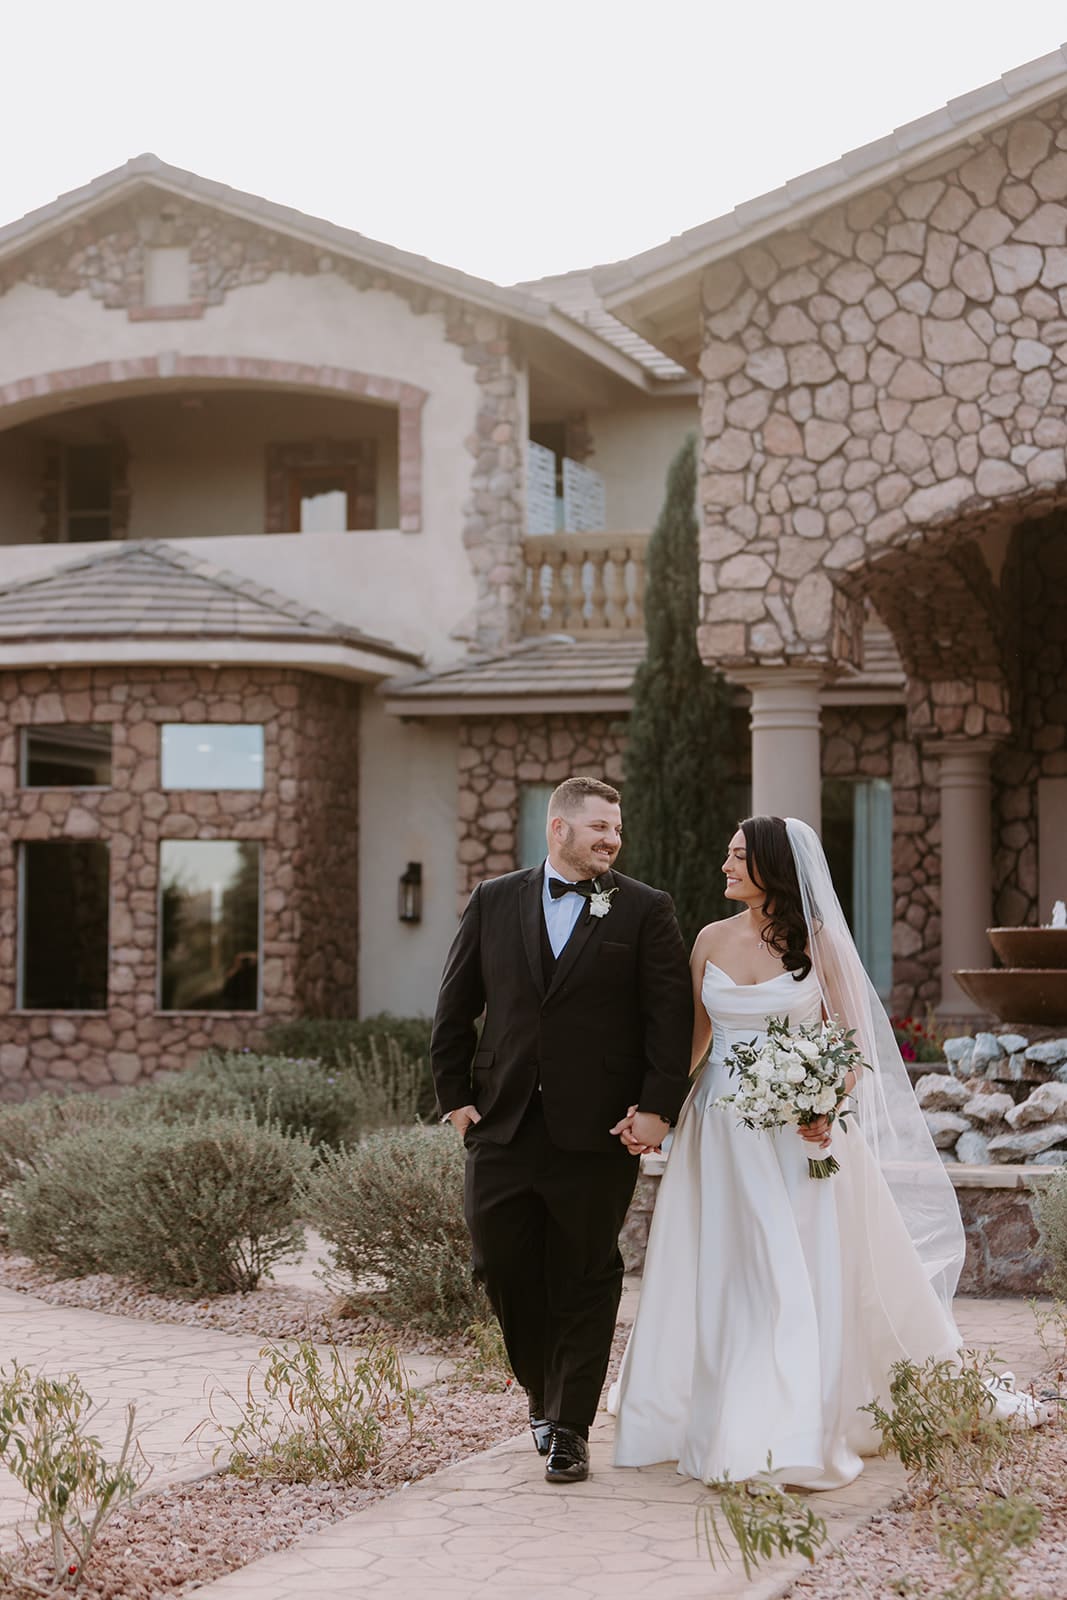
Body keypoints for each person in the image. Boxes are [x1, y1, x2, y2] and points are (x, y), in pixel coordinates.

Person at [610, 814, 965, 1490]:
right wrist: (654, 1112)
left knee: (790, 1269)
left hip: (798, 1134)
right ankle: (716, 1411)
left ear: (771, 866)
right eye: (726, 853)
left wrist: (824, 1105)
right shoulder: (709, 940)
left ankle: (796, 1427)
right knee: (724, 1267)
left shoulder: (819, 942)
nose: (724, 865)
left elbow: (852, 1045)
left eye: (737, 856)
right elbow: (692, 1042)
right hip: (718, 1131)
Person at [431, 775, 693, 1484]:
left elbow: (668, 1018)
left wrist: (657, 1107)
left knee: (585, 1273)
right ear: (559, 828)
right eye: (600, 826)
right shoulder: (493, 900)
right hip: (502, 1123)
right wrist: (454, 1097)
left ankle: (570, 1425)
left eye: (617, 829)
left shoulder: (645, 908)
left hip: (598, 1129)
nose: (612, 839)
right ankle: (540, 1391)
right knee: (499, 1263)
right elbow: (455, 1004)